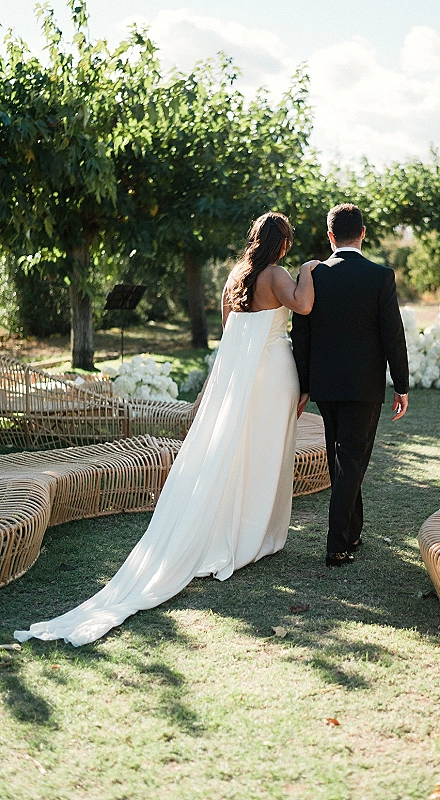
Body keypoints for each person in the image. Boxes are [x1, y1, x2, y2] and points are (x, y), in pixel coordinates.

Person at [15, 212, 319, 646]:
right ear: (282, 243)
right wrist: (309, 269)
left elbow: (230, 336)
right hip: (272, 375)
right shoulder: (279, 274)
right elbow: (303, 305)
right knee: (267, 452)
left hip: (242, 379)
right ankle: (255, 534)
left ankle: (235, 530)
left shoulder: (236, 276)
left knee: (236, 452)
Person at [291, 203, 409, 567]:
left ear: (330, 236)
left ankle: (353, 533)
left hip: (325, 385)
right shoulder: (379, 276)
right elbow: (393, 335)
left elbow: (302, 335)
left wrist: (305, 385)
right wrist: (401, 386)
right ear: (362, 234)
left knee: (343, 460)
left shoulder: (313, 276)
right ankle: (337, 545)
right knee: (352, 462)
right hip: (363, 385)